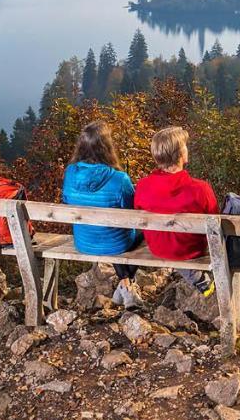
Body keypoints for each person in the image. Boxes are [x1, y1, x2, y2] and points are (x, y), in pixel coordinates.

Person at [60, 121, 143, 308]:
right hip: (115, 244)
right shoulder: (119, 178)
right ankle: (128, 286)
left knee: (109, 231)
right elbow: (131, 213)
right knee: (142, 231)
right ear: (107, 146)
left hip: (83, 242)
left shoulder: (70, 172)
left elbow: (67, 199)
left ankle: (125, 286)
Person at [134, 126, 217, 296]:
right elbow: (216, 222)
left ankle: (197, 278)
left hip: (157, 247)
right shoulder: (200, 189)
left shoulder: (143, 186)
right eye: (185, 145)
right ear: (180, 154)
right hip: (190, 250)